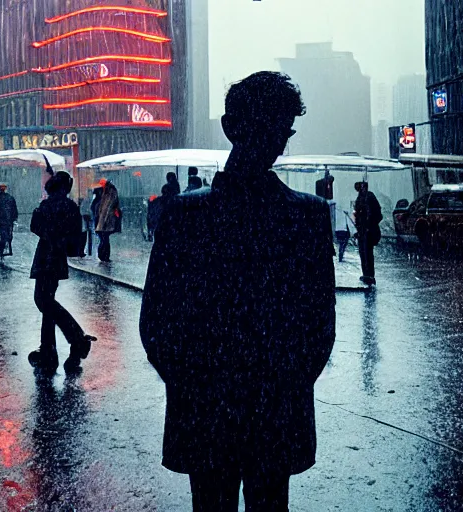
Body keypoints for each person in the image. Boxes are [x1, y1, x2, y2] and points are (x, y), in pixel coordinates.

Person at [140, 71, 336, 511]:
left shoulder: (184, 217)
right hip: (276, 412)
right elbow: (318, 328)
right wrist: (284, 385)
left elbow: (156, 322)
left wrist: (194, 383)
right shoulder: (306, 218)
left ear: (229, 127)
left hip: (204, 409)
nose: (278, 141)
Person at [29, 172, 97, 373]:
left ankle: (76, 339)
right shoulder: (70, 207)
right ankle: (48, 350)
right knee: (47, 303)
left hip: (46, 256)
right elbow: (73, 237)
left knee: (43, 301)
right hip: (57, 258)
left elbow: (36, 226)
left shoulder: (49, 205)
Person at [354, 181, 383, 286]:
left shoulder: (369, 197)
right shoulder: (361, 198)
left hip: (368, 231)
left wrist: (369, 225)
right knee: (364, 253)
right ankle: (367, 274)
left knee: (367, 253)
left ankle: (369, 275)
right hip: (362, 231)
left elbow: (377, 215)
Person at [95, 180, 121, 262]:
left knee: (104, 239)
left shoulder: (109, 194)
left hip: (106, 221)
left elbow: (108, 209)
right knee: (104, 238)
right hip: (104, 220)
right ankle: (104, 255)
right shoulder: (107, 194)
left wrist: (104, 219)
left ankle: (103, 255)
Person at [0, 184, 18, 256]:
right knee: (9, 235)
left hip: (2, 221)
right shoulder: (10, 198)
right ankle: (9, 249)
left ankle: (1, 251)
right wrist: (14, 218)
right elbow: (14, 209)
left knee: (3, 235)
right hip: (9, 220)